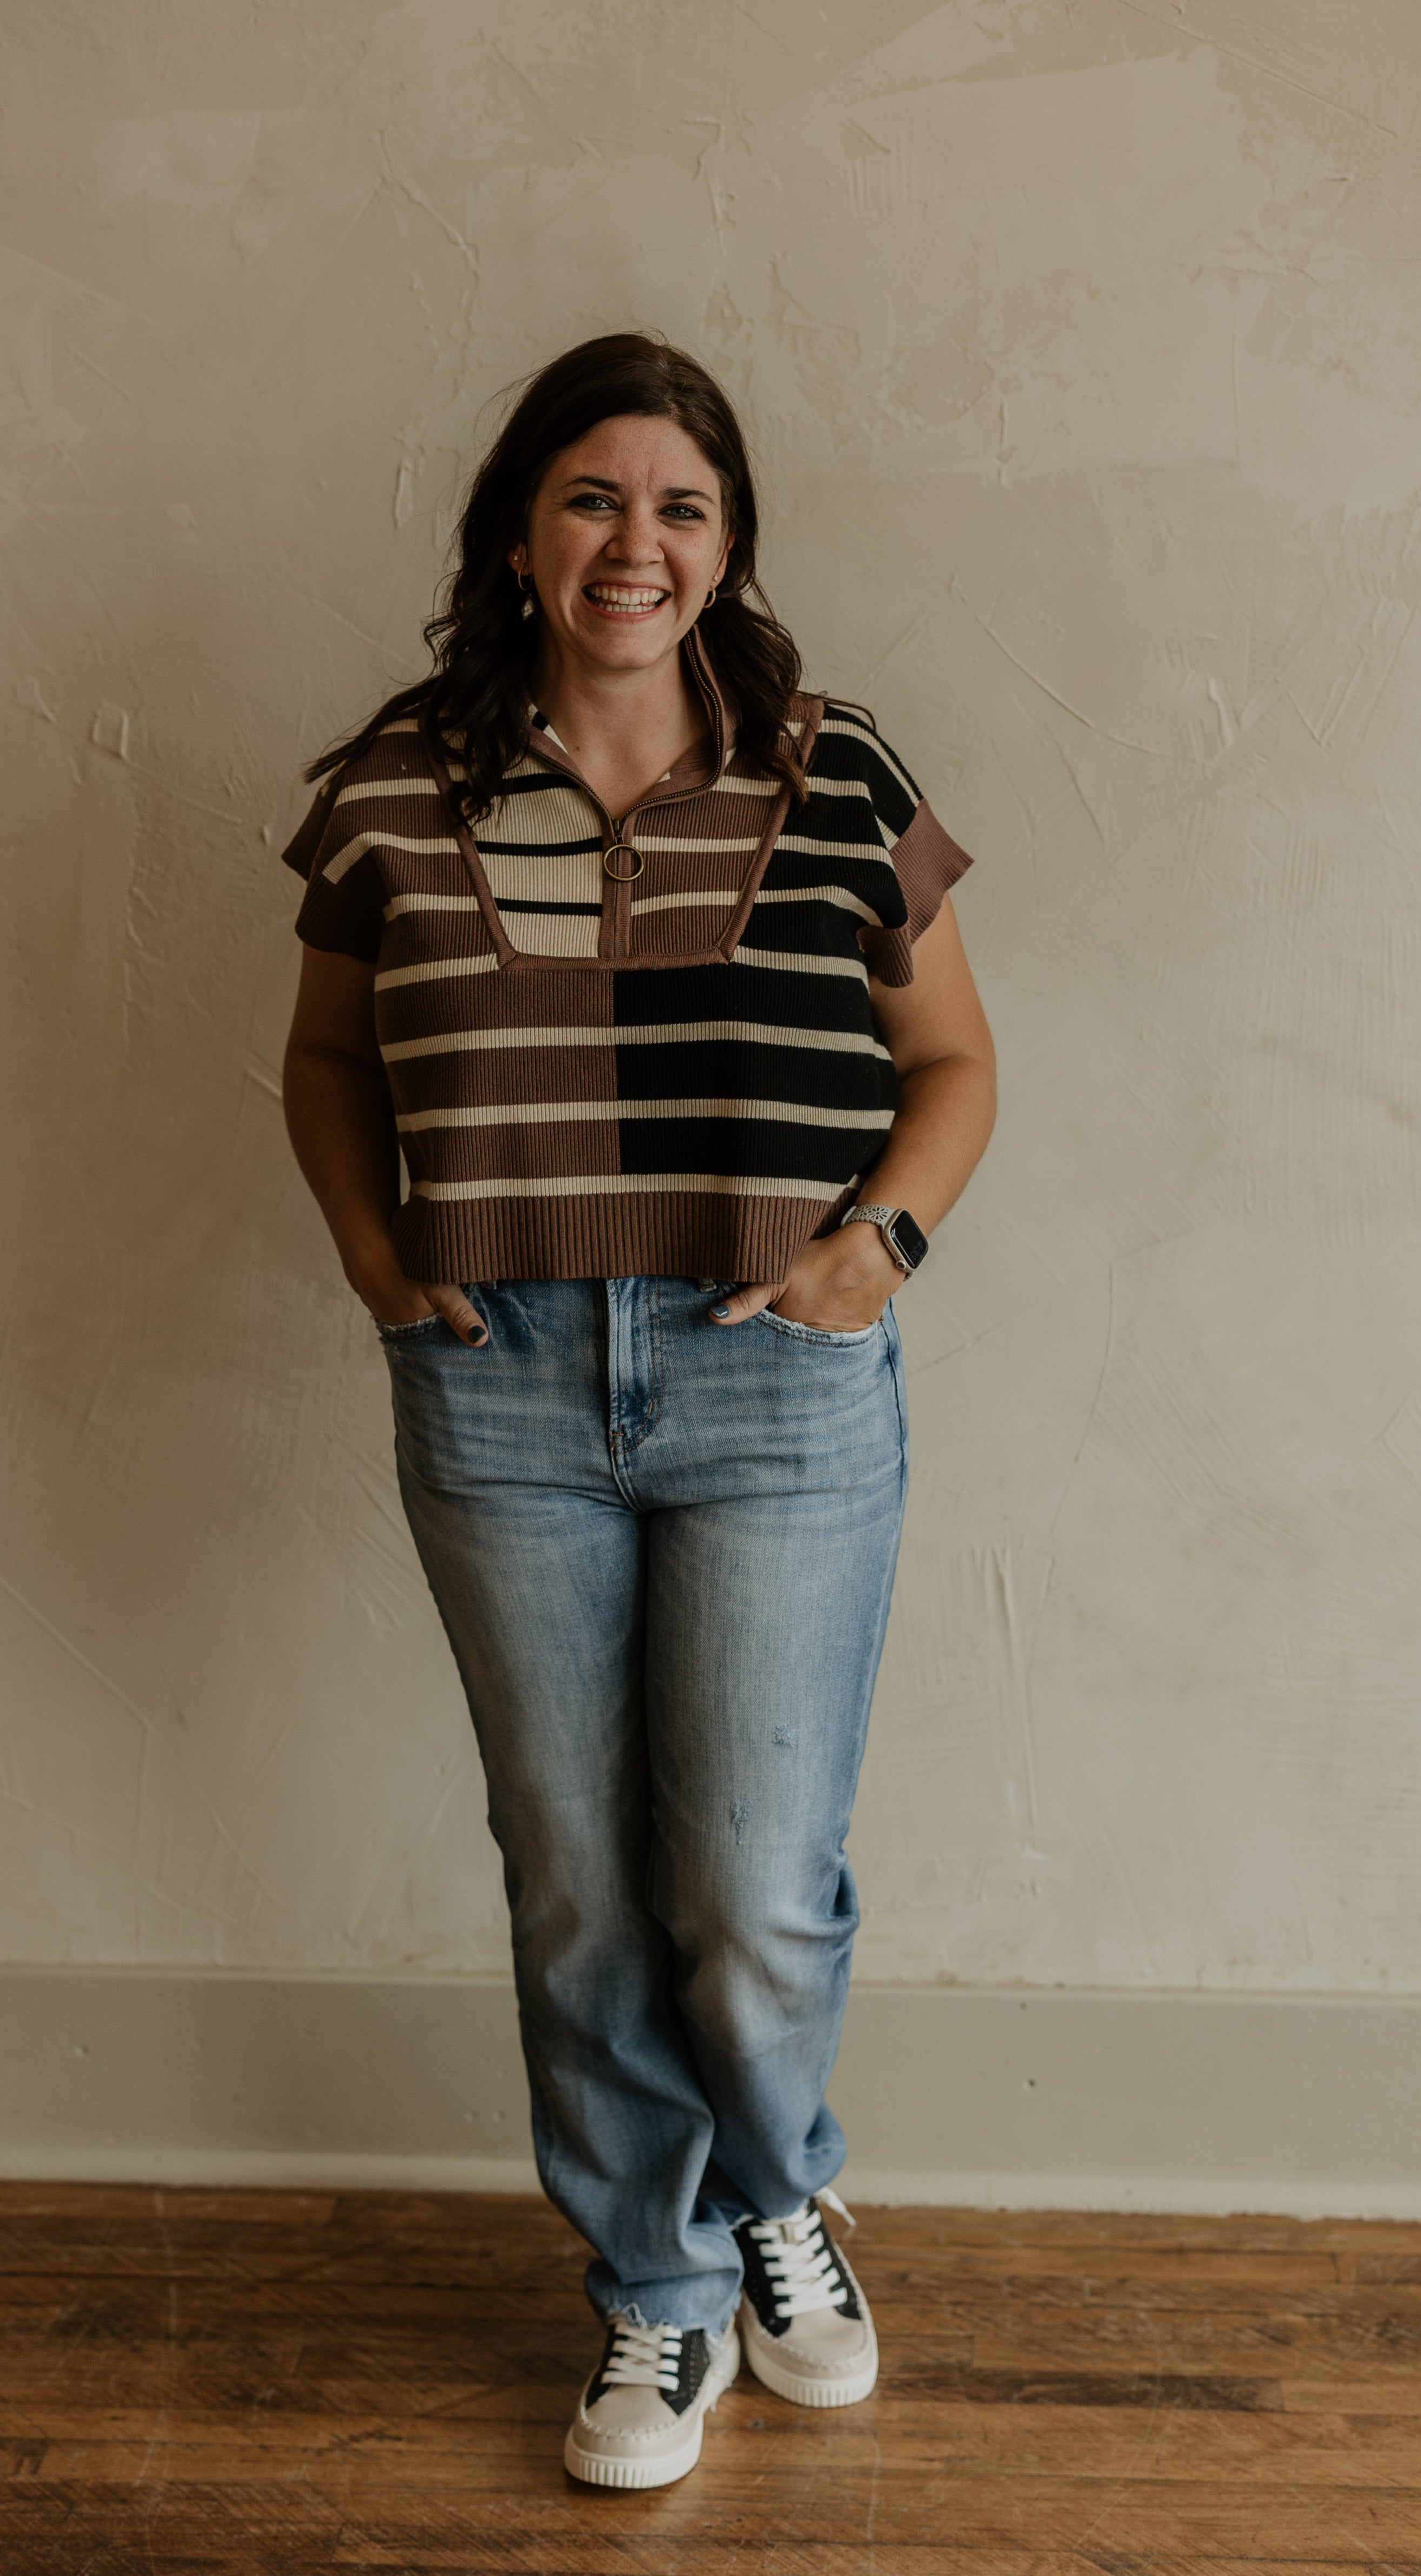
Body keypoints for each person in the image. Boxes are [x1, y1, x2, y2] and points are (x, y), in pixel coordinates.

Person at [281, 332, 995, 2491]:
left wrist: (879, 1244)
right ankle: (657, 2288)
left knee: (749, 1883)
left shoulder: (831, 771)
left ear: (728, 544)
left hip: (775, 1383)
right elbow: (324, 1059)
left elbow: (954, 1065)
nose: (634, 542)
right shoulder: (393, 784)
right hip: (497, 1389)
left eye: (680, 504)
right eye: (592, 495)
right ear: (518, 529)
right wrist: (373, 1252)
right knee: (580, 1880)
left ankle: (777, 2192)